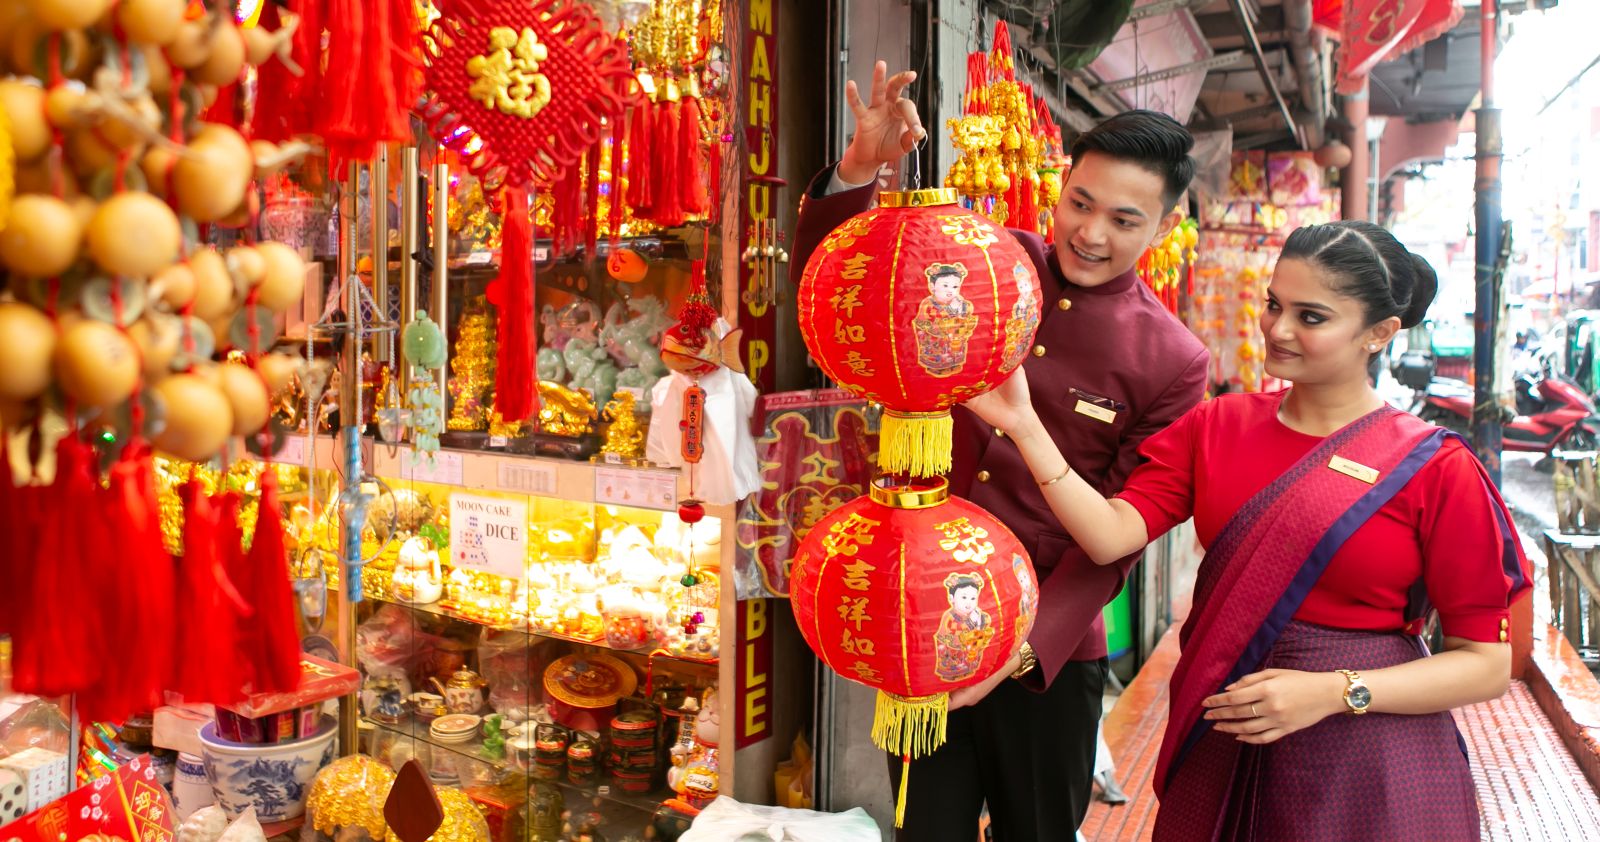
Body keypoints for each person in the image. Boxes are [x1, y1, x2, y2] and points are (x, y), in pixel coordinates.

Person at [963, 220, 1530, 841]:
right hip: (1226, 732)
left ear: (1379, 333)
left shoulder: (1435, 466)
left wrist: (1336, 693)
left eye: (1311, 317)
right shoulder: (1218, 426)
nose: (1278, 330)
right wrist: (1024, 427)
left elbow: (1486, 665)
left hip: (1366, 762)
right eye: (1273, 305)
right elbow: (1110, 535)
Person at [791, 62, 1210, 840]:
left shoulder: (1172, 360)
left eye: (1125, 219)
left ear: (1162, 226)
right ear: (1059, 187)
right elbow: (838, 282)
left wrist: (1017, 655)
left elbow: (1115, 543)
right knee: (924, 831)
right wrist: (857, 170)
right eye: (1079, 203)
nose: (1091, 233)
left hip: (1044, 658)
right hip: (918, 624)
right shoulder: (988, 261)